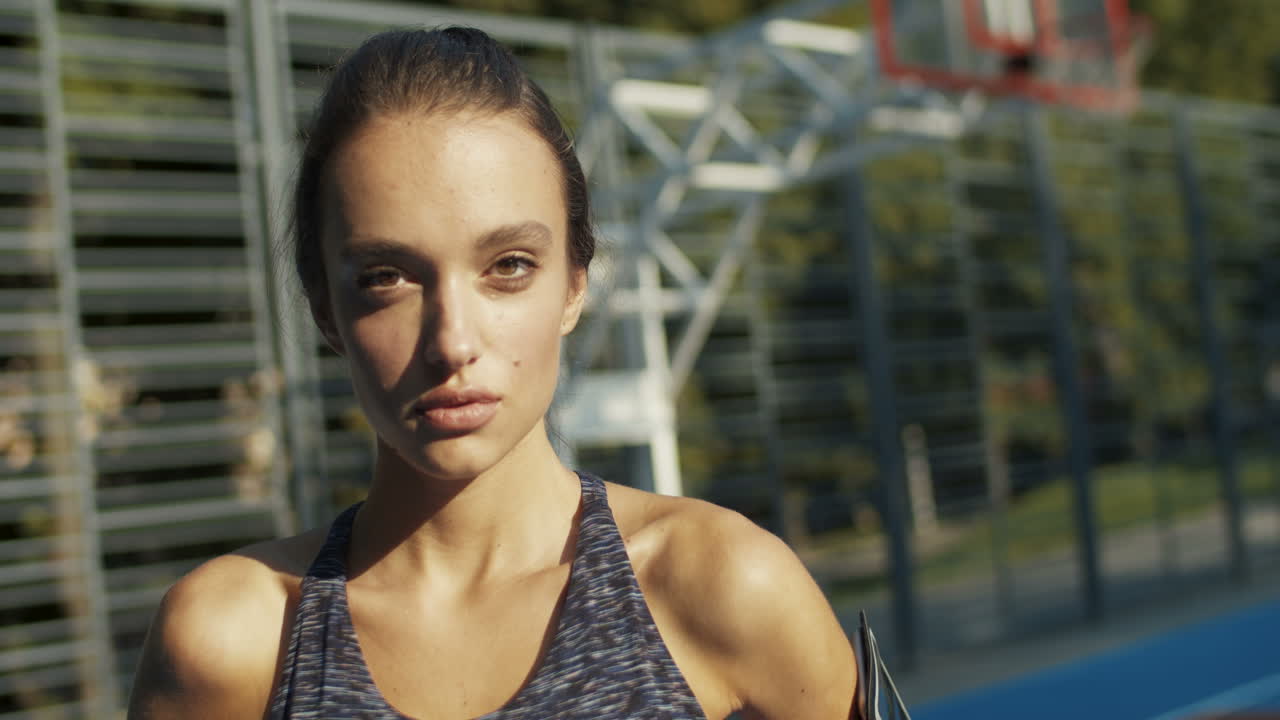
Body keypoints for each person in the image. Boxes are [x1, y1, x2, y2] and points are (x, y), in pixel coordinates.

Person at [127, 26, 865, 720]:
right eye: (386, 276)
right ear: (325, 308)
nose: (452, 341)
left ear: (575, 282)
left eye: (508, 267)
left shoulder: (724, 586)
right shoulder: (233, 638)